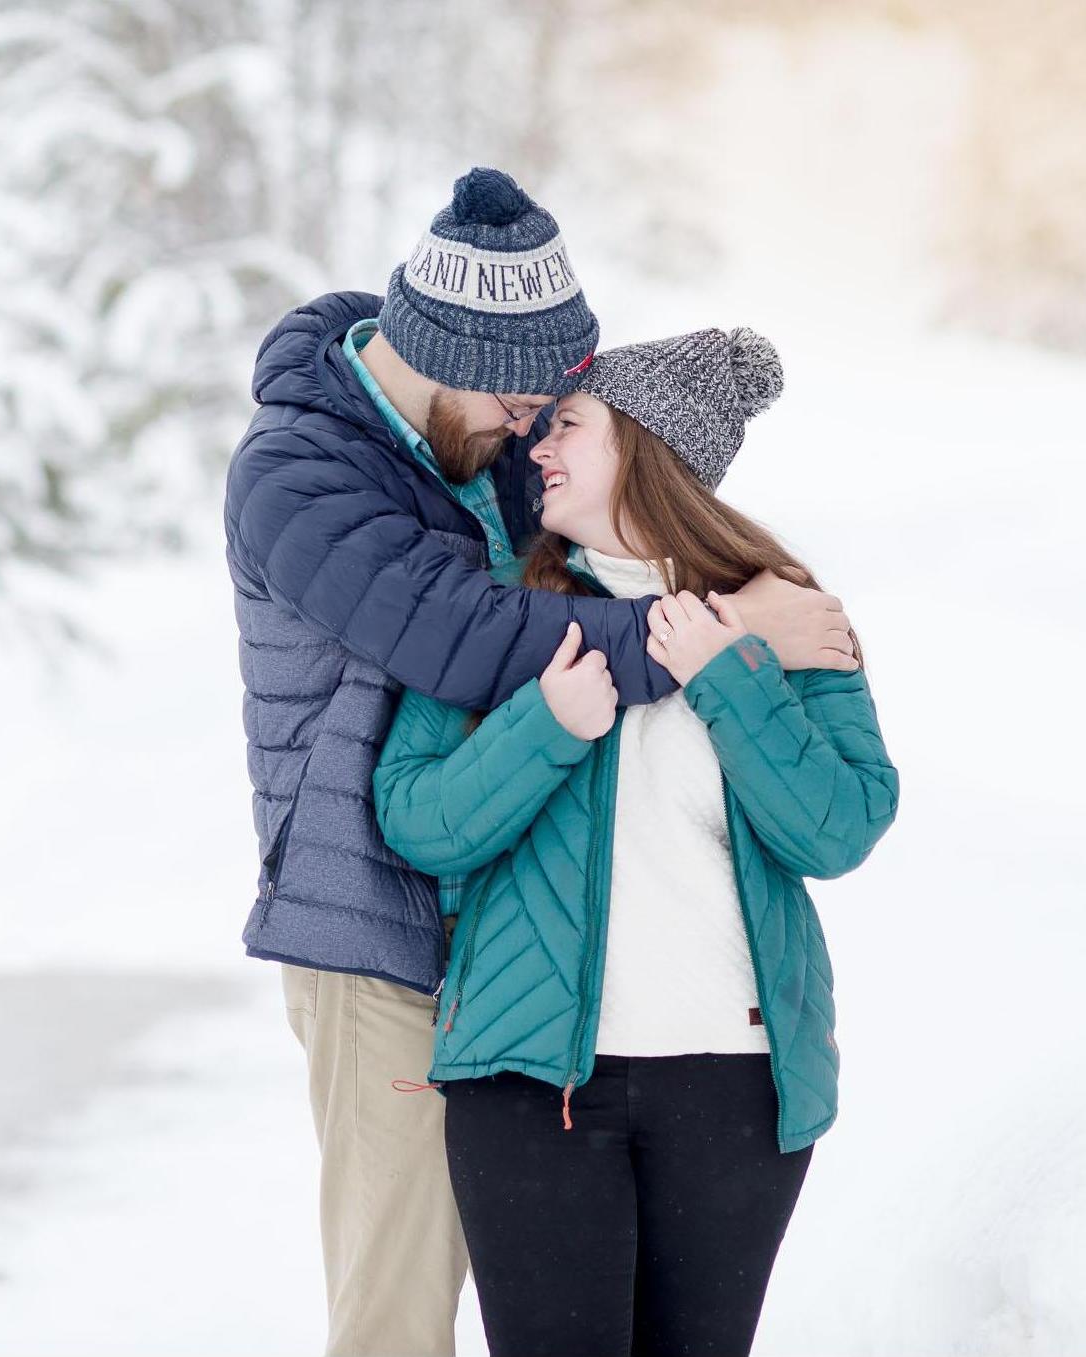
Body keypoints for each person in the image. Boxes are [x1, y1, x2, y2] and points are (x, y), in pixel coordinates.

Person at [224, 166, 862, 1357]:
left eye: (544, 412)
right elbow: (474, 639)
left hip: (524, 958)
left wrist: (734, 606)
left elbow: (627, 510)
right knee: (400, 1311)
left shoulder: (478, 443)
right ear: (444, 352)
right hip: (382, 930)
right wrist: (723, 642)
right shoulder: (296, 475)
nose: (532, 435)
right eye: (521, 403)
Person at [372, 326, 900, 1357]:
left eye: (567, 424)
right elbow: (419, 819)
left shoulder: (779, 612)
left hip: (734, 1086)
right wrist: (546, 724)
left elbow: (836, 829)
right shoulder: (501, 612)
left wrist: (728, 674)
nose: (535, 447)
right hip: (532, 1084)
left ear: (646, 447)